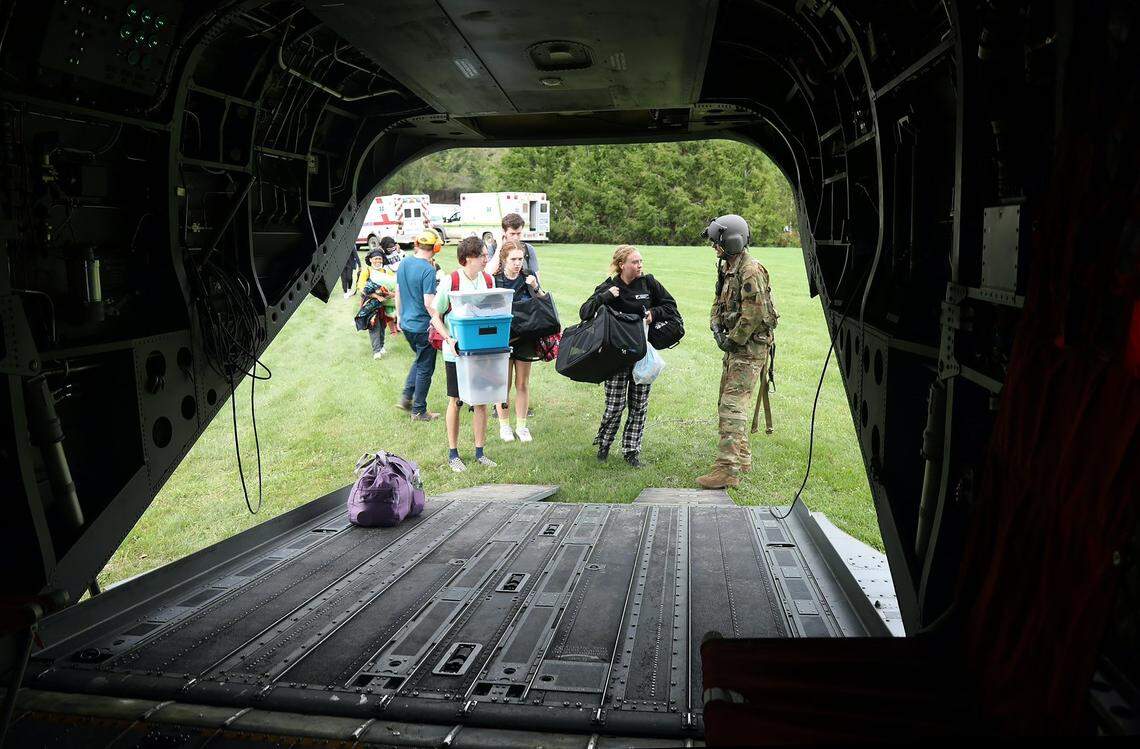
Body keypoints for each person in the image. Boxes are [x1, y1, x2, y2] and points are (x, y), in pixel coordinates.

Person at [696, 214, 779, 489]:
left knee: (731, 405)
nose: (713, 247)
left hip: (749, 347)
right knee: (728, 400)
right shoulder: (728, 267)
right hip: (736, 344)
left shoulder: (750, 270)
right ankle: (742, 458)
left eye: (716, 242)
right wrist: (716, 327)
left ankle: (727, 470)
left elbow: (754, 314)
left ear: (730, 241)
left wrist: (733, 340)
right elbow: (719, 301)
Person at [579, 245, 678, 467]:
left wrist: (654, 313)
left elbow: (671, 306)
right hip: (615, 357)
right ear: (622, 265)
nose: (640, 265)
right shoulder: (609, 286)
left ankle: (631, 450)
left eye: (641, 261)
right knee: (615, 405)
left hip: (641, 354)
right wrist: (604, 297)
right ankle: (604, 444)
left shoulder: (649, 283)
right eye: (635, 262)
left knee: (639, 405)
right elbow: (585, 312)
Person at [432, 237, 499, 471]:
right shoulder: (452, 280)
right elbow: (436, 315)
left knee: (480, 400)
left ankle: (480, 452)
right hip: (456, 354)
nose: (486, 258)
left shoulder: (488, 280)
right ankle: (453, 454)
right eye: (482, 255)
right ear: (468, 257)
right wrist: (448, 339)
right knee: (456, 401)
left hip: (482, 352)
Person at [493, 239, 548, 443]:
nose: (518, 263)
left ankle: (522, 427)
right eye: (513, 259)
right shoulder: (495, 279)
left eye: (521, 259)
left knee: (522, 383)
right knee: (503, 384)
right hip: (502, 337)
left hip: (525, 335)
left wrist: (536, 287)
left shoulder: (527, 277)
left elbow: (544, 302)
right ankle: (504, 426)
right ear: (504, 259)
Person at [395, 229, 444, 421]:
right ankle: (419, 410)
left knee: (420, 358)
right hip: (423, 326)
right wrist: (438, 322)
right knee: (425, 367)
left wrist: (399, 316)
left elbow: (398, 291)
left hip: (407, 324)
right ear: (435, 248)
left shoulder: (404, 262)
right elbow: (428, 302)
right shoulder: (428, 270)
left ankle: (407, 397)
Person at [356, 247, 398, 358]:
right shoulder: (367, 271)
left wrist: (391, 294)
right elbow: (361, 287)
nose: (378, 261)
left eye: (380, 259)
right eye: (375, 259)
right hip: (371, 303)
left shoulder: (387, 271)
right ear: (370, 259)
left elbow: (395, 286)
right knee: (374, 325)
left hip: (385, 303)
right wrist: (376, 296)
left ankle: (381, 345)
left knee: (383, 324)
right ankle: (376, 350)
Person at [485, 212, 540, 283]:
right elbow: (489, 272)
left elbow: (536, 279)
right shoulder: (493, 248)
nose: (516, 237)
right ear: (504, 232)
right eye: (512, 234)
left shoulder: (528, 249)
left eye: (518, 233)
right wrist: (499, 246)